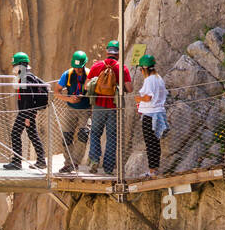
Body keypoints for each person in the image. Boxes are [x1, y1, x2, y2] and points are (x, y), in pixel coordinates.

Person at [86, 39, 132, 175]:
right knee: (112, 136)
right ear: (118, 54)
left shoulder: (97, 66)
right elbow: (129, 88)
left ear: (107, 52)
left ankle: (94, 159)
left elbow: (86, 85)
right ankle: (108, 168)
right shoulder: (122, 68)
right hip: (114, 107)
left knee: (95, 133)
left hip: (98, 106)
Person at [3, 52, 48, 170]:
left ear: (21, 65)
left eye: (15, 65)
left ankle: (17, 162)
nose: (13, 67)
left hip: (25, 112)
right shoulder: (25, 76)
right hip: (28, 112)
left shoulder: (24, 77)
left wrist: (27, 116)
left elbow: (28, 97)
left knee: (15, 133)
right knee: (33, 134)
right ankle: (41, 160)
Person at [54, 50, 90, 173]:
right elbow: (56, 92)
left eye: (79, 67)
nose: (77, 70)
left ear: (84, 65)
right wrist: (69, 99)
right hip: (70, 109)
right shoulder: (67, 74)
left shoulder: (89, 75)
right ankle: (68, 163)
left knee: (83, 134)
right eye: (75, 67)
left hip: (85, 109)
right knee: (66, 136)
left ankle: (75, 162)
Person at [135, 53, 167, 177]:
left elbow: (148, 98)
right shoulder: (159, 79)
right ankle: (155, 169)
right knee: (155, 143)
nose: (140, 71)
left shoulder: (149, 80)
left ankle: (152, 171)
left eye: (140, 69)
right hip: (159, 114)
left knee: (150, 144)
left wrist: (138, 99)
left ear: (144, 68)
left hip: (149, 115)